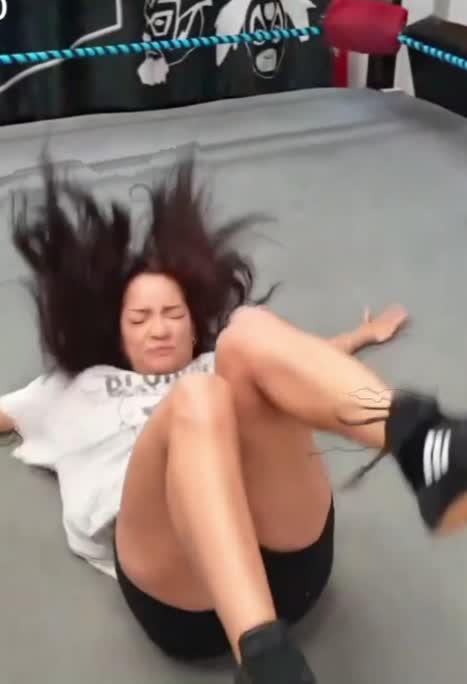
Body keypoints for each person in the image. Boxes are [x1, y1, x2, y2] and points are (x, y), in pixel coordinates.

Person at [0, 157, 465, 684]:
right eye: (140, 319)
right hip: (180, 589)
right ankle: (264, 656)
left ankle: (426, 444)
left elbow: (301, 363)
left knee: (247, 329)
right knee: (199, 398)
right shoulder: (70, 388)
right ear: (118, 334)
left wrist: (360, 337)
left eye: (173, 314)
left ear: (193, 324)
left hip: (291, 566)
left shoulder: (218, 359)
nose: (159, 329)